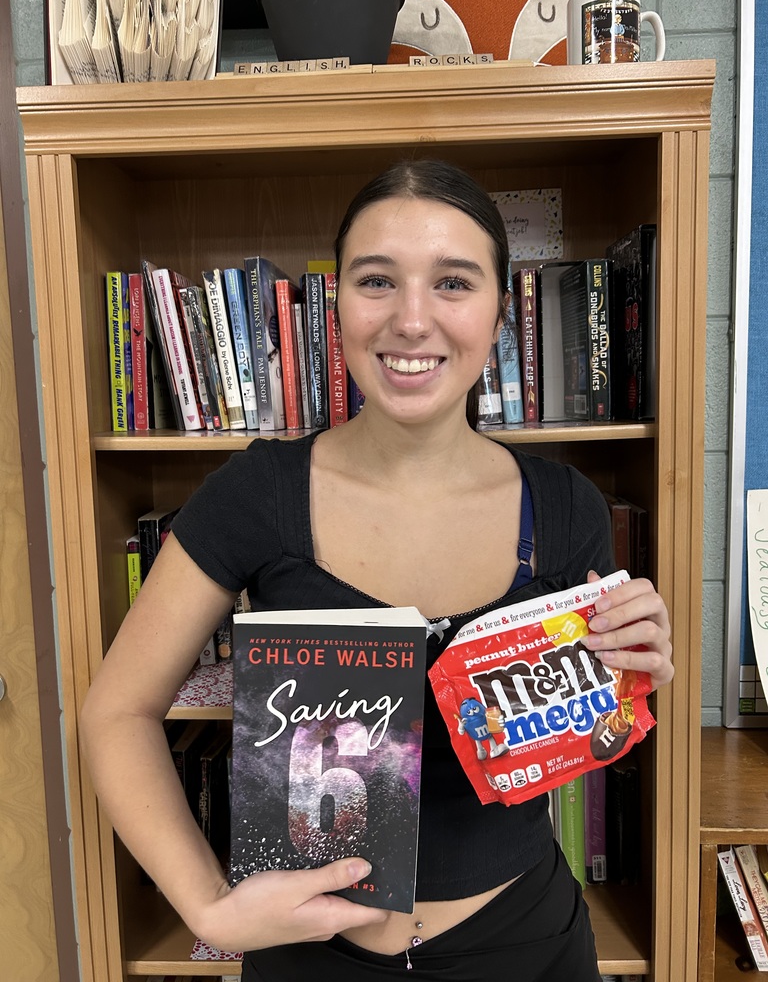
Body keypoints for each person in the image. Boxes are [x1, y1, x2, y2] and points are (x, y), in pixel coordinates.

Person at [81, 159, 673, 981]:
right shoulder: (257, 493)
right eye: (376, 281)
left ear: (502, 311)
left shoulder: (567, 508)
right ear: (337, 308)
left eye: (454, 283)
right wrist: (208, 906)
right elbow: (117, 713)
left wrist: (630, 670)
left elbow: (590, 732)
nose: (412, 318)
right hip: (309, 955)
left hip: (528, 947)